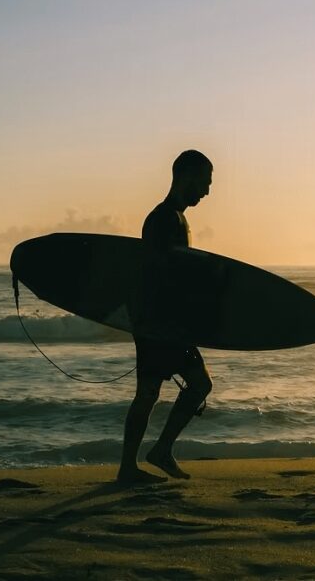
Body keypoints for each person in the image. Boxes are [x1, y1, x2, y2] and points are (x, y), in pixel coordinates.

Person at [118, 149, 214, 483]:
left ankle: (133, 465)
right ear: (186, 176)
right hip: (161, 323)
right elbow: (158, 273)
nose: (207, 191)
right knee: (196, 384)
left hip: (159, 322)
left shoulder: (175, 217)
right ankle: (153, 455)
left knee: (149, 393)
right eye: (204, 181)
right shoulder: (163, 219)